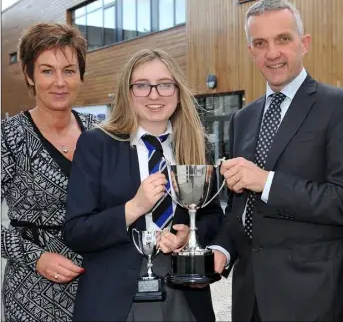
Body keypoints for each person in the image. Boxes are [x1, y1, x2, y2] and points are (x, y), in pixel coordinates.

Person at [209, 0, 343, 322]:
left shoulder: (339, 106)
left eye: (283, 39)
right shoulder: (243, 118)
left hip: (314, 298)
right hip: (249, 297)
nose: (272, 53)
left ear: (304, 43)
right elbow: (241, 207)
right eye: (260, 43)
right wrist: (222, 249)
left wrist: (266, 181)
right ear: (251, 51)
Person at [63, 48, 224, 322]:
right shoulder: (96, 145)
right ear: (127, 92)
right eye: (142, 85)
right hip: (114, 300)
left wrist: (189, 236)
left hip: (183, 293)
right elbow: (76, 231)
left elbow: (212, 216)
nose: (154, 95)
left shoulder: (196, 146)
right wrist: (132, 208)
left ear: (177, 91)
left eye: (164, 84)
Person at [1, 23, 99, 322]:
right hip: (32, 295)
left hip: (101, 286)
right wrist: (35, 257)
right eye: (47, 70)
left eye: (69, 70)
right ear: (29, 75)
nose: (59, 82)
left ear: (80, 75)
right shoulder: (9, 138)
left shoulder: (101, 133)